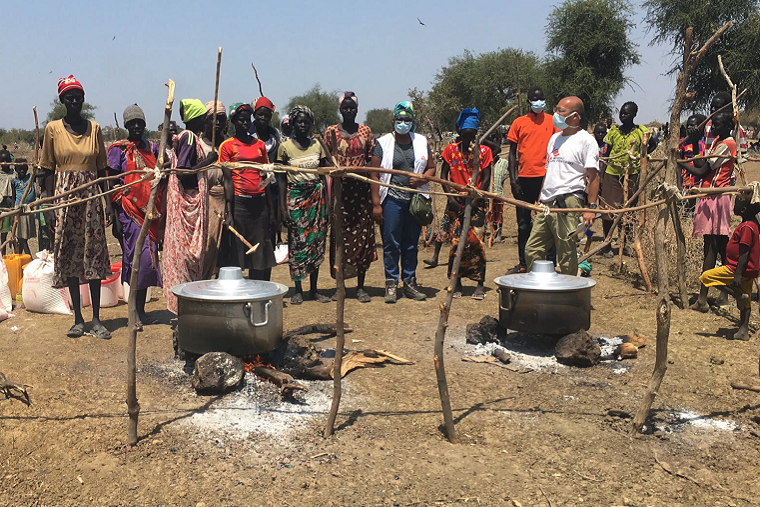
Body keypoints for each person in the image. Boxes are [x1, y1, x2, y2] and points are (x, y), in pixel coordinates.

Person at [39, 75, 112, 339]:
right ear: (61, 100)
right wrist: (48, 206)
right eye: (69, 97)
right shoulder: (52, 129)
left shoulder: (95, 128)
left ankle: (96, 319)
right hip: (64, 199)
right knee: (69, 256)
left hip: (91, 198)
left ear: (83, 99)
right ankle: (78, 319)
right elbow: (46, 169)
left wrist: (109, 204)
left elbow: (102, 169)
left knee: (93, 254)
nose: (74, 101)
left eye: (78, 96)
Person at [524, 96, 600, 275]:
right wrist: (540, 199)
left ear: (575, 116)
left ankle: (570, 294)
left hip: (569, 201)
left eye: (560, 111)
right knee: (532, 249)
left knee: (566, 253)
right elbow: (548, 171)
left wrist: (591, 208)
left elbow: (594, 177)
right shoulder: (554, 139)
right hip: (547, 203)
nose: (555, 114)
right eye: (555, 109)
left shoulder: (586, 141)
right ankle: (538, 289)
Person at [369, 101, 435, 303]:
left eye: (407, 120)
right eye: (399, 119)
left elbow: (432, 168)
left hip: (414, 200)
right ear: (394, 121)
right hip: (391, 200)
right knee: (391, 243)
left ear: (412, 122)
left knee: (410, 244)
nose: (403, 123)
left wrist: (423, 179)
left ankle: (409, 282)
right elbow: (374, 173)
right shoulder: (382, 143)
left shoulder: (422, 142)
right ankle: (391, 284)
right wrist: (376, 203)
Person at [106, 104, 163, 328]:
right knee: (134, 261)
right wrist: (112, 213)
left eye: (140, 122)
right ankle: (133, 311)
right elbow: (111, 183)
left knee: (148, 261)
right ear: (127, 126)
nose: (137, 126)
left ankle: (141, 308)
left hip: (150, 212)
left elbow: (161, 173)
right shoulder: (118, 150)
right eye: (132, 124)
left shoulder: (153, 147)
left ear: (145, 124)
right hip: (128, 211)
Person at [679, 111, 736, 311]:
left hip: (716, 198)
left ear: (730, 124)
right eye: (713, 125)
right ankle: (726, 293)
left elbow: (702, 171)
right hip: (711, 195)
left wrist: (680, 163)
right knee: (721, 247)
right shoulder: (717, 142)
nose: (714, 128)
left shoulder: (726, 145)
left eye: (718, 124)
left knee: (710, 248)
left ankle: (704, 298)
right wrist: (695, 144)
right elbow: (701, 163)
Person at [324, 91, 377, 303]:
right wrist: (335, 170)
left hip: (361, 191)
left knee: (363, 237)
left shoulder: (365, 131)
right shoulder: (331, 132)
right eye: (345, 108)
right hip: (340, 190)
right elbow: (325, 159)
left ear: (357, 110)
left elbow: (371, 158)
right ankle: (340, 285)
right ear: (340, 109)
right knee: (340, 237)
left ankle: (361, 286)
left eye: (352, 108)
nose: (349, 111)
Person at [276, 105, 329, 304]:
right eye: (299, 121)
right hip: (295, 198)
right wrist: (283, 208)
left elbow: (324, 176)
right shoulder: (285, 147)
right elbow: (281, 179)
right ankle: (298, 289)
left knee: (316, 243)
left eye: (306, 122)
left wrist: (328, 204)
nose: (303, 125)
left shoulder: (318, 145)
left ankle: (314, 289)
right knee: (297, 244)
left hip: (317, 199)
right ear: (293, 123)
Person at [162, 99, 211, 314]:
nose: (207, 123)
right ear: (196, 119)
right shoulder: (189, 137)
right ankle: (188, 303)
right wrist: (209, 161)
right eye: (204, 118)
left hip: (188, 202)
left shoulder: (186, 137)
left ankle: (188, 302)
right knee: (190, 254)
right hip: (189, 203)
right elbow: (183, 172)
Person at [219, 103, 277, 281]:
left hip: (259, 206)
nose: (244, 123)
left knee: (259, 253)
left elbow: (266, 178)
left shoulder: (259, 145)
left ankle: (258, 293)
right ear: (233, 122)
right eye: (240, 120)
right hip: (239, 205)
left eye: (247, 120)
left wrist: (271, 210)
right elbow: (227, 181)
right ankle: (239, 295)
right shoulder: (227, 146)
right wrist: (228, 211)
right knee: (237, 253)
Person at [439, 108, 492, 299]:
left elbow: (486, 178)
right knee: (456, 242)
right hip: (455, 202)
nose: (468, 139)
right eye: (465, 134)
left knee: (476, 241)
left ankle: (479, 283)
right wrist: (451, 198)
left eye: (472, 135)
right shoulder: (450, 150)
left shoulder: (484, 151)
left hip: (477, 202)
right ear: (460, 133)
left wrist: (476, 199)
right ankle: (457, 281)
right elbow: (443, 174)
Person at [506, 86, 559, 274]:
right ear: (529, 101)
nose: (539, 102)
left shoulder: (553, 122)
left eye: (541, 98)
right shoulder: (519, 123)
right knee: (523, 224)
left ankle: (550, 262)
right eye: (535, 99)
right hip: (523, 179)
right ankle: (523, 263)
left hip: (546, 179)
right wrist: (513, 180)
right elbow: (512, 153)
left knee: (548, 221)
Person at [693, 194, 760, 341]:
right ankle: (743, 329)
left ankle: (736, 295)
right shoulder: (753, 224)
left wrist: (736, 274)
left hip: (736, 268)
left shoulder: (747, 227)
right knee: (746, 298)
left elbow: (744, 252)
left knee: (706, 277)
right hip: (749, 270)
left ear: (742, 209)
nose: (732, 207)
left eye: (735, 205)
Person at [599, 102, 656, 258]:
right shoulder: (613, 132)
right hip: (612, 174)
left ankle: (627, 243)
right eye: (621, 113)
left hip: (632, 174)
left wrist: (641, 157)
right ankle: (607, 243)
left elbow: (653, 144)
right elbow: (607, 154)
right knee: (609, 211)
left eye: (626, 114)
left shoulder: (641, 132)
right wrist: (602, 175)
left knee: (629, 210)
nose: (622, 116)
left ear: (634, 115)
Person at [200, 100, 228, 277]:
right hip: (206, 202)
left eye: (221, 119)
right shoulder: (199, 144)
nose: (217, 123)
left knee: (225, 250)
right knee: (207, 248)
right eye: (213, 119)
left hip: (228, 201)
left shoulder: (229, 145)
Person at [250, 96, 283, 243]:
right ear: (254, 115)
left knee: (271, 221)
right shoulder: (248, 134)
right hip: (253, 186)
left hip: (273, 185)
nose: (263, 118)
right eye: (260, 114)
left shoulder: (275, 134)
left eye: (266, 115)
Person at [704, 92, 748, 166]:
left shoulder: (737, 130)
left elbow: (742, 156)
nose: (713, 110)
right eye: (711, 107)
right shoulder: (707, 126)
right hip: (706, 171)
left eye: (717, 107)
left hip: (725, 174)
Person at [678, 113, 707, 215]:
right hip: (687, 182)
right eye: (688, 125)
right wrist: (678, 184)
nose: (689, 128)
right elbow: (678, 164)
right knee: (686, 212)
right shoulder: (682, 143)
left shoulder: (706, 142)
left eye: (693, 125)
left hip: (702, 183)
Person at [11, 159, 35, 256]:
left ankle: (19, 257)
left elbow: (40, 172)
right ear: (16, 169)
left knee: (23, 237)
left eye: (24, 167)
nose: (22, 170)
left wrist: (35, 166)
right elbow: (13, 198)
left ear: (27, 168)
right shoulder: (14, 181)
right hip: (18, 209)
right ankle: (29, 259)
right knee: (21, 238)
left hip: (28, 209)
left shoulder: (31, 177)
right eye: (19, 168)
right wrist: (13, 213)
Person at [0, 149, 16, 255]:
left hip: (11, 205)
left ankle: (7, 254)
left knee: (9, 232)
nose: (5, 163)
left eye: (7, 161)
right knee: (2, 231)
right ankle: (3, 254)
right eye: (2, 161)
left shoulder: (14, 174)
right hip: (1, 204)